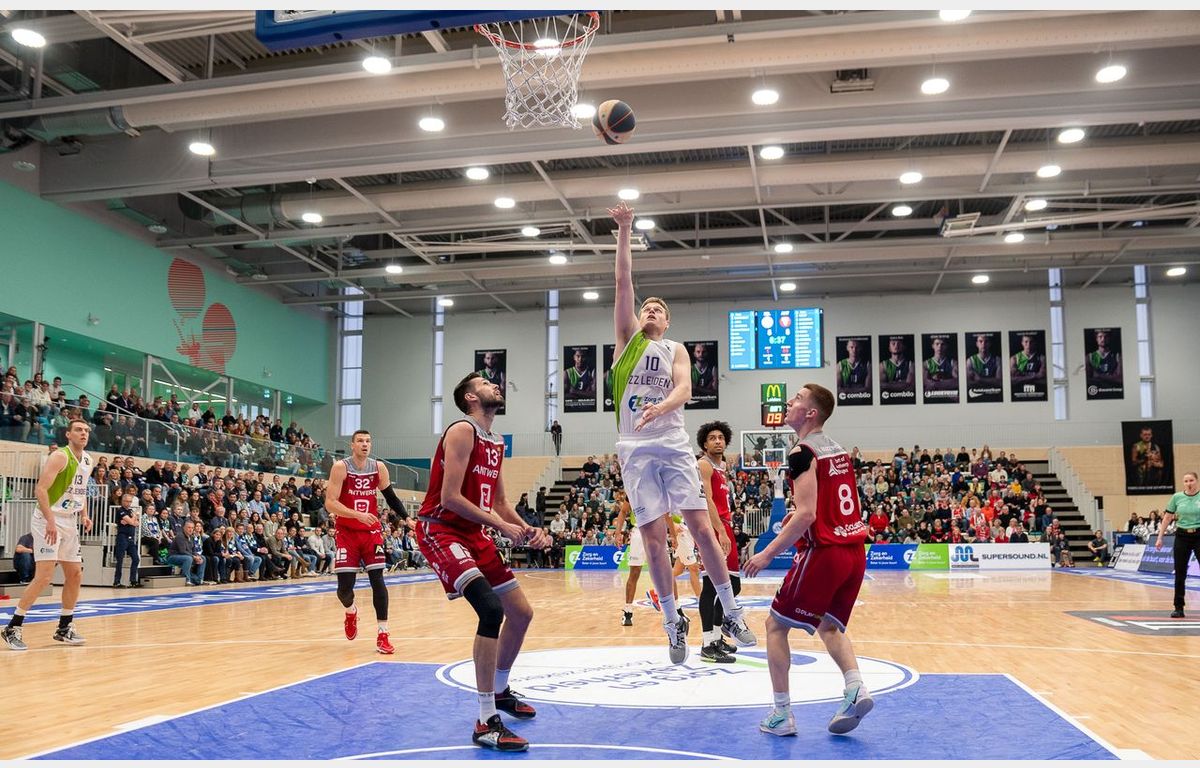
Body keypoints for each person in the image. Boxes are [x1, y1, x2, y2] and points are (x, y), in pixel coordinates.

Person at [610, 200, 754, 665]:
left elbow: (686, 389)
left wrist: (660, 407)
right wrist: (625, 228)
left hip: (671, 442)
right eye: (646, 307)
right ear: (637, 318)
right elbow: (623, 282)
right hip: (634, 448)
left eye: (659, 309)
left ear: (667, 322)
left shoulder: (675, 349)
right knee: (654, 539)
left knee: (699, 528)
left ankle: (732, 612)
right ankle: (672, 621)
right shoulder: (626, 343)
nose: (650, 310)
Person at [416, 372, 550, 752]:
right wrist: (501, 526)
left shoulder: (495, 441)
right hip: (441, 529)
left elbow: (501, 502)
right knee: (491, 611)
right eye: (486, 383)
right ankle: (485, 720)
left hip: (474, 533)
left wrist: (527, 528)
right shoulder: (462, 430)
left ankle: (501, 690)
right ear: (471, 397)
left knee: (521, 613)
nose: (495, 386)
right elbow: (450, 498)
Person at [743, 383, 873, 737]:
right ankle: (855, 687)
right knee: (828, 626)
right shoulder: (838, 449)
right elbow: (828, 503)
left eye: (798, 398)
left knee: (774, 626)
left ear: (811, 413)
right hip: (854, 552)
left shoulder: (802, 452)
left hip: (825, 553)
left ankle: (781, 714)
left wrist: (767, 553)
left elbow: (807, 515)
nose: (789, 402)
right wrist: (801, 516)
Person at [3, 419, 95, 651]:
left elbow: (80, 490)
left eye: (86, 430)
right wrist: (51, 521)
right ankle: (12, 627)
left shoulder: (88, 459)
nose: (83, 433)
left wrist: (84, 514)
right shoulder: (60, 456)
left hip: (69, 520)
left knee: (75, 574)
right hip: (48, 519)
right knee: (44, 577)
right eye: (78, 430)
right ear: (68, 434)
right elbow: (41, 489)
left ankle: (64, 627)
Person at [325, 429, 408, 655]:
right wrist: (357, 515)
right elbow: (330, 503)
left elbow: (391, 497)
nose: (365, 444)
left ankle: (383, 633)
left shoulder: (379, 468)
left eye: (368, 441)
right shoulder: (341, 467)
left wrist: (407, 518)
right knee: (344, 590)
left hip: (371, 532)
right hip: (347, 533)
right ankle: (351, 611)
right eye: (360, 441)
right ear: (352, 445)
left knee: (377, 580)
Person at [696, 420, 742, 664]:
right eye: (712, 438)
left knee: (733, 585)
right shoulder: (704, 465)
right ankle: (707, 644)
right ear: (704, 444)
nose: (717, 441)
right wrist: (720, 531)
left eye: (721, 438)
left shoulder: (722, 466)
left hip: (724, 525)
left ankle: (716, 636)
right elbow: (707, 500)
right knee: (711, 587)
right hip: (712, 528)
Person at [1157, 471, 1200, 618]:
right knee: (1180, 572)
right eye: (1186, 481)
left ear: (1197, 481)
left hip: (1199, 534)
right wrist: (1160, 537)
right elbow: (1167, 518)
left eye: (1191, 480)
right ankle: (1178, 607)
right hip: (1182, 536)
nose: (1189, 483)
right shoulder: (1177, 497)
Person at [613, 489, 643, 627]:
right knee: (634, 572)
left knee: (665, 573)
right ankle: (628, 610)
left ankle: (674, 610)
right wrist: (617, 533)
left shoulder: (660, 484)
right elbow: (623, 511)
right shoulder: (633, 490)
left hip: (656, 530)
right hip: (639, 532)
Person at [112, 492, 142, 588]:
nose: (128, 503)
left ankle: (133, 581)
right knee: (120, 560)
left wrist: (131, 520)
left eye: (130, 501)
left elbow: (137, 523)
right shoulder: (121, 511)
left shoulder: (130, 511)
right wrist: (134, 517)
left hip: (131, 538)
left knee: (136, 559)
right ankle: (117, 582)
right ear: (122, 501)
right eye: (126, 501)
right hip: (122, 537)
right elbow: (133, 522)